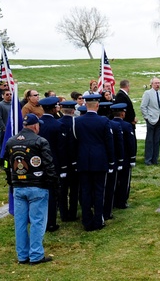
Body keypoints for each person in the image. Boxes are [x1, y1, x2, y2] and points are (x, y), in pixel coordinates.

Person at [5, 113, 56, 265]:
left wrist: (11, 181)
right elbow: (48, 164)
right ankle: (36, 255)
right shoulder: (40, 141)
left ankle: (22, 256)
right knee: (37, 222)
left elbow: (7, 164)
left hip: (18, 186)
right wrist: (53, 183)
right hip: (37, 186)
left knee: (20, 223)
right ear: (35, 126)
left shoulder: (11, 141)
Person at [73, 94, 114, 231]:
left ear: (85, 105)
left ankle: (86, 220)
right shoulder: (103, 121)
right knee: (98, 191)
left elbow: (75, 140)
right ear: (97, 106)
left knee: (85, 191)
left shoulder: (77, 121)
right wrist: (111, 160)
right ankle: (98, 220)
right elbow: (109, 142)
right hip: (99, 160)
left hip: (83, 159)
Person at [36, 97, 63, 232]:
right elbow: (60, 147)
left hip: (39, 163)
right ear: (53, 109)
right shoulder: (58, 125)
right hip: (53, 162)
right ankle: (51, 222)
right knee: (52, 193)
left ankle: (41, 220)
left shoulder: (38, 124)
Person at [57, 100, 79, 222]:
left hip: (61, 161)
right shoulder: (76, 123)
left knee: (62, 190)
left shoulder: (57, 123)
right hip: (74, 161)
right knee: (74, 190)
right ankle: (73, 213)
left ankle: (64, 213)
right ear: (73, 110)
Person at [112, 103, 136, 210]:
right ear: (122, 114)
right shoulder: (127, 126)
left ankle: (113, 200)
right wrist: (132, 158)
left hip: (113, 157)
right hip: (125, 157)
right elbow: (131, 143)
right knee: (124, 181)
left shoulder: (110, 124)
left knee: (114, 180)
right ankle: (122, 201)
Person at [140, 77, 160, 165]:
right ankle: (148, 160)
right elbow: (143, 106)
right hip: (151, 120)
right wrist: (147, 117)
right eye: (156, 83)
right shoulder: (147, 93)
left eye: (159, 83)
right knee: (150, 140)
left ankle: (155, 159)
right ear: (152, 84)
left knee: (157, 140)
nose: (157, 84)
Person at [0, 89, 13, 167]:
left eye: (10, 94)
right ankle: (2, 161)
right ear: (3, 96)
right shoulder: (0, 105)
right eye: (7, 94)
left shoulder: (13, 105)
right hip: (4, 130)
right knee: (3, 145)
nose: (9, 96)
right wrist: (3, 127)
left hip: (12, 129)